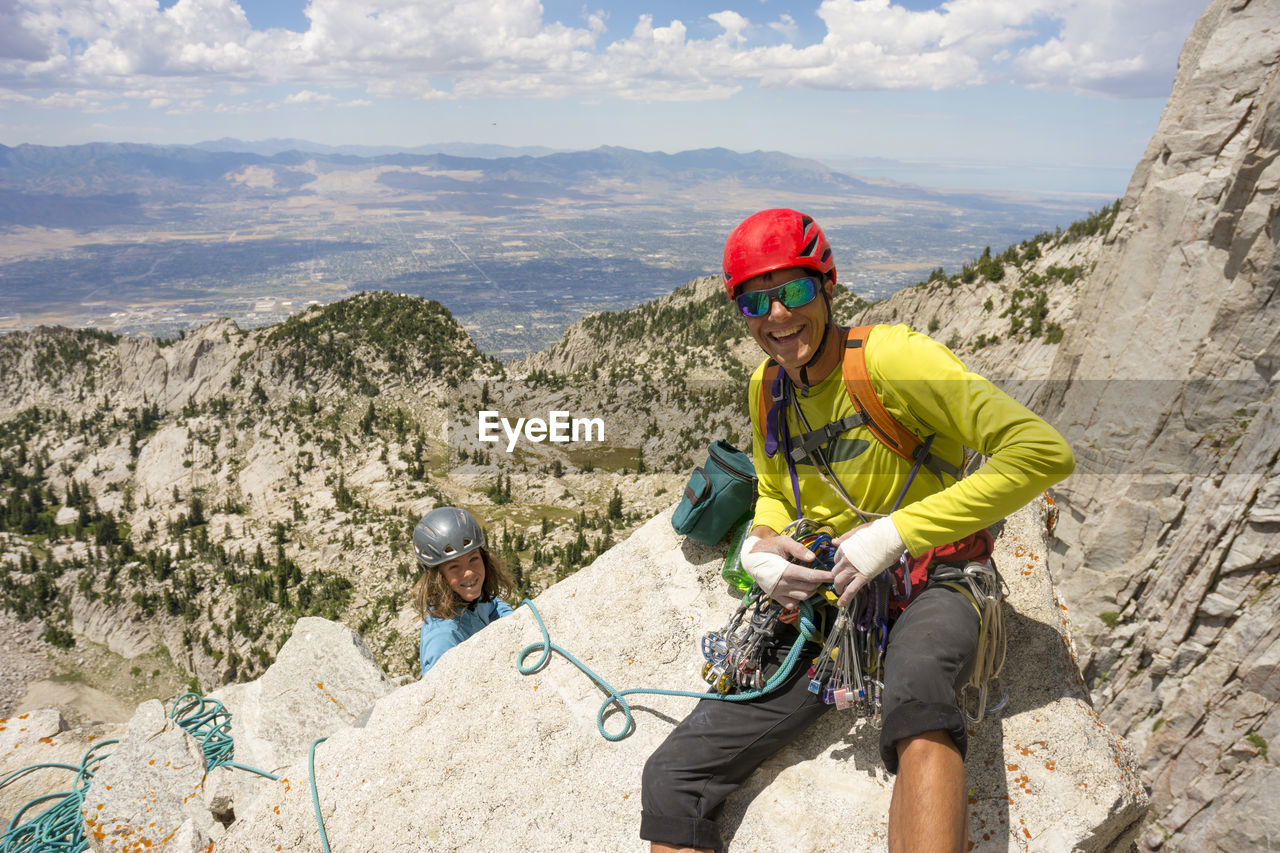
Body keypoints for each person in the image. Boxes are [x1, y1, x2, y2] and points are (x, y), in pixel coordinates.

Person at [640, 208, 1075, 853]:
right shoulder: (766, 388)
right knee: (673, 776)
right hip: (834, 599)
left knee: (919, 703)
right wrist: (760, 546)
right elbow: (770, 489)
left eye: (793, 292)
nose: (777, 317)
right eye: (756, 302)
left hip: (937, 578)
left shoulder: (892, 360)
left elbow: (1042, 453)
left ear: (827, 287)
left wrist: (897, 532)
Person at [410, 506, 516, 677]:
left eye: (473, 559)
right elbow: (439, 689)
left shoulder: (471, 600)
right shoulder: (443, 638)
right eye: (454, 566)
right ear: (439, 577)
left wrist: (513, 622)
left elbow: (493, 605)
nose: (468, 573)